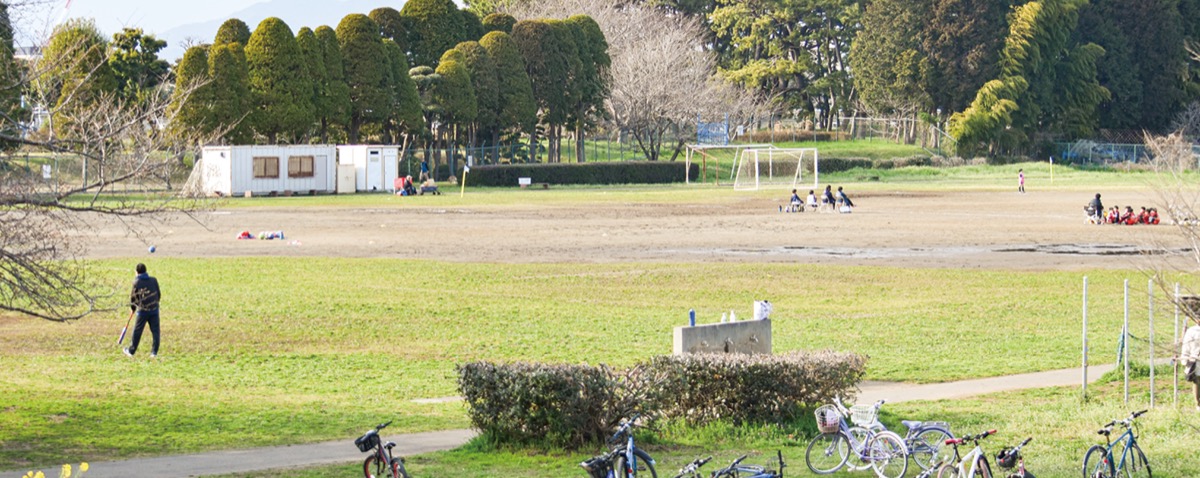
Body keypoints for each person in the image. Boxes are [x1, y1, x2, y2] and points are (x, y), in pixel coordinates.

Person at [124, 263, 161, 357]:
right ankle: (154, 352)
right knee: (155, 331)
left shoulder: (136, 282)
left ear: (137, 272)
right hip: (154, 310)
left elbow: (133, 297)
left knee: (137, 331)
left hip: (142, 311)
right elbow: (158, 294)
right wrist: (155, 303)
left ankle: (131, 351)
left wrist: (133, 308)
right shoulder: (154, 280)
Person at [1182, 320, 1200, 410]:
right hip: (1196, 360)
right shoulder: (1192, 331)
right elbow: (1186, 346)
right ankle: (1198, 404)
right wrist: (1185, 360)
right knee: (1197, 381)